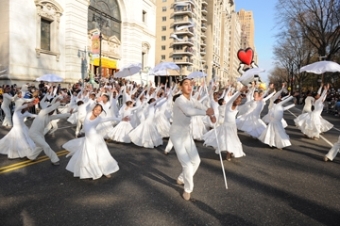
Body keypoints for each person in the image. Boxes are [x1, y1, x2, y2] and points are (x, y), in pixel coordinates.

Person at [169, 77, 215, 201]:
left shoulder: (192, 100)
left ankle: (182, 178)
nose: (189, 87)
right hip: (176, 135)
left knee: (197, 161)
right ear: (181, 87)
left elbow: (201, 106)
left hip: (186, 134)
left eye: (191, 84)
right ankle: (187, 189)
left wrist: (210, 113)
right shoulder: (179, 100)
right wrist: (206, 113)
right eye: (186, 84)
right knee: (188, 164)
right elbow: (189, 111)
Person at [62, 104, 120, 179]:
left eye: (99, 110)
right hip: (88, 140)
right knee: (89, 156)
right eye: (96, 109)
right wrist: (97, 100)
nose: (97, 111)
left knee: (101, 155)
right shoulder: (88, 114)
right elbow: (89, 105)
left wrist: (118, 119)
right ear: (93, 109)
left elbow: (108, 119)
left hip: (96, 140)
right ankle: (92, 171)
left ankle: (106, 170)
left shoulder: (99, 119)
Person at [203, 85, 247, 160]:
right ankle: (228, 154)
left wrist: (245, 92)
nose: (239, 101)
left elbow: (243, 101)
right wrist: (239, 91)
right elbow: (233, 97)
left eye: (240, 101)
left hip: (233, 126)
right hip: (226, 126)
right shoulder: (229, 104)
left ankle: (230, 152)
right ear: (234, 99)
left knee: (233, 140)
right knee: (226, 139)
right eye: (238, 100)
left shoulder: (237, 107)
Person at [27, 96, 71, 165]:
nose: (52, 112)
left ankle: (31, 157)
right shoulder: (43, 112)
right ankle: (54, 160)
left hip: (40, 134)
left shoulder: (49, 117)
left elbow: (59, 116)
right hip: (33, 133)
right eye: (51, 110)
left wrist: (70, 114)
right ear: (48, 109)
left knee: (40, 146)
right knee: (46, 146)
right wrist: (60, 101)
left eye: (53, 111)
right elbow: (52, 107)